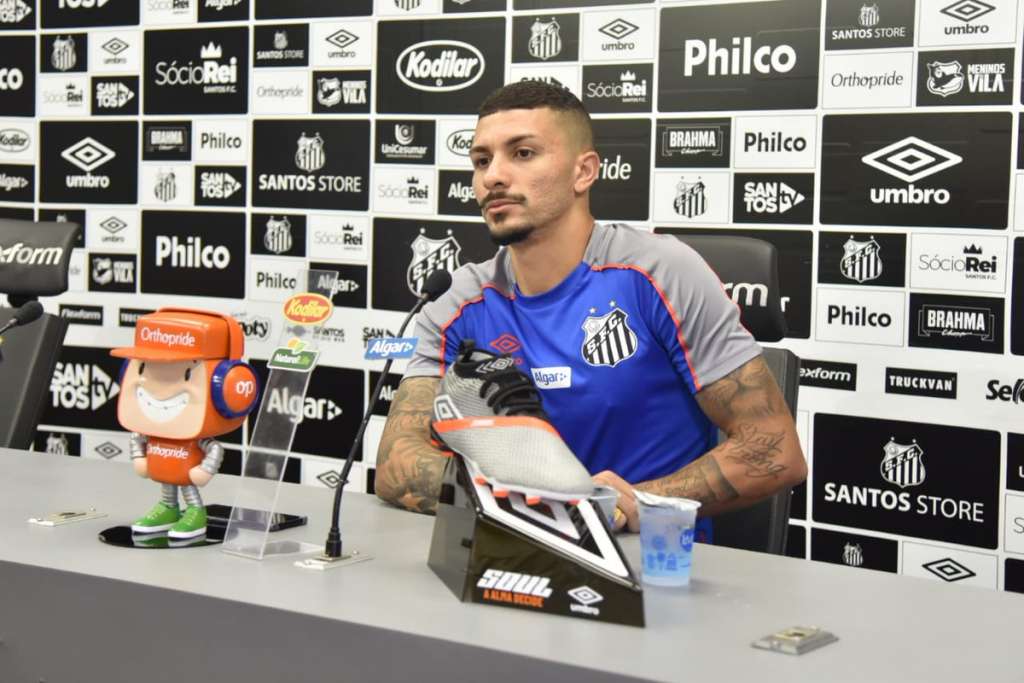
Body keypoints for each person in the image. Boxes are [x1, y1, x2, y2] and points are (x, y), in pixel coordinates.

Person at [374, 81, 807, 540]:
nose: (494, 176)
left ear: (584, 172)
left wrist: (634, 502)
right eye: (482, 160)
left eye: (522, 153)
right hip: (506, 555)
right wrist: (542, 504)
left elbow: (776, 452)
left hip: (646, 568)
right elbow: (396, 463)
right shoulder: (455, 299)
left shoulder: (660, 272)